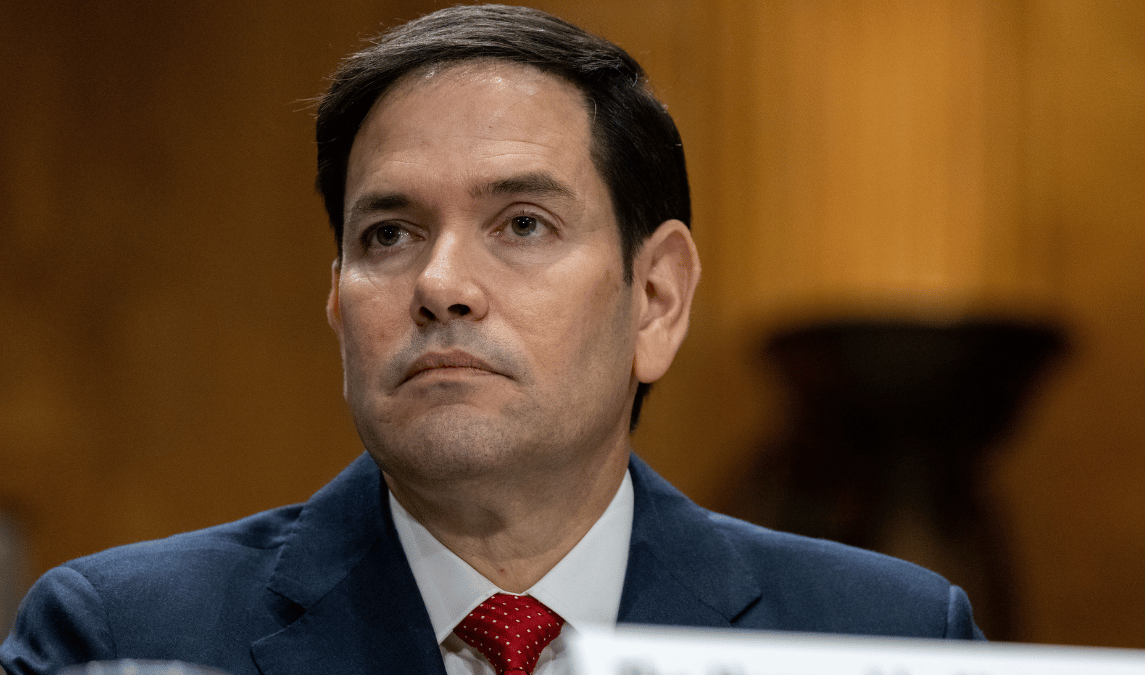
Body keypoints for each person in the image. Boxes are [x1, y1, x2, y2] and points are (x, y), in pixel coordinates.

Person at [1, 5, 984, 675]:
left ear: (655, 298)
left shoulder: (888, 641)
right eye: (389, 235)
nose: (440, 286)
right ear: (338, 303)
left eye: (522, 224)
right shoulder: (119, 634)